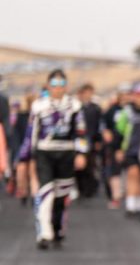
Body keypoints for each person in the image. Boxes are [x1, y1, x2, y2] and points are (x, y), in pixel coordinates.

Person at [27, 69, 87, 249]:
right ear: (48, 86)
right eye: (54, 85)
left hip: (66, 153)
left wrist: (82, 153)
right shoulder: (38, 106)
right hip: (44, 152)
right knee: (45, 192)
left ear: (66, 86)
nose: (58, 88)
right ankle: (44, 234)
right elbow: (31, 134)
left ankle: (58, 230)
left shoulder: (74, 105)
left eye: (61, 85)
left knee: (61, 196)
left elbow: (81, 131)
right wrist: (28, 157)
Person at [116, 82, 140, 219]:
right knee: (132, 174)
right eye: (138, 95)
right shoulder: (127, 112)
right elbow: (119, 132)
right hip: (131, 149)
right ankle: (130, 205)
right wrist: (119, 149)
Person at [75, 83, 104, 198]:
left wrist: (98, 140)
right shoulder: (76, 108)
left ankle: (90, 189)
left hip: (91, 140)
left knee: (91, 166)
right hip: (78, 141)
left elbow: (99, 126)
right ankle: (80, 188)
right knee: (78, 167)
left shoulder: (96, 109)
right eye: (86, 93)